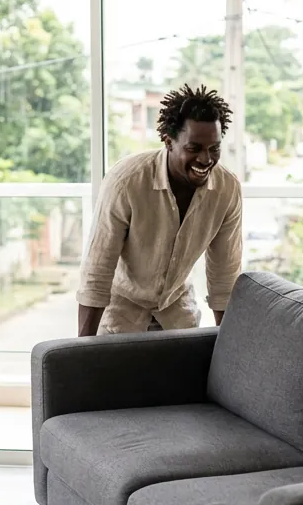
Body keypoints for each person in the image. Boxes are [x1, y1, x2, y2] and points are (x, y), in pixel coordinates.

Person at [76, 84, 243, 336]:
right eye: (194, 148)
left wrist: (229, 350)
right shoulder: (126, 182)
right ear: (168, 141)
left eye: (214, 148)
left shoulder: (227, 190)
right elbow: (97, 272)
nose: (206, 159)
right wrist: (81, 354)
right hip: (121, 315)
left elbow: (224, 279)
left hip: (178, 315)